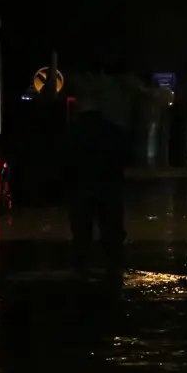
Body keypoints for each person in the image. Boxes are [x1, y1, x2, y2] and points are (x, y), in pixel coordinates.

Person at [63, 93, 128, 279]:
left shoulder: (72, 131)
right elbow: (126, 156)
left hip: (81, 187)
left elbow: (63, 160)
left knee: (81, 230)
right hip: (109, 187)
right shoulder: (112, 130)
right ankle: (113, 266)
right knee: (111, 228)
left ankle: (81, 267)